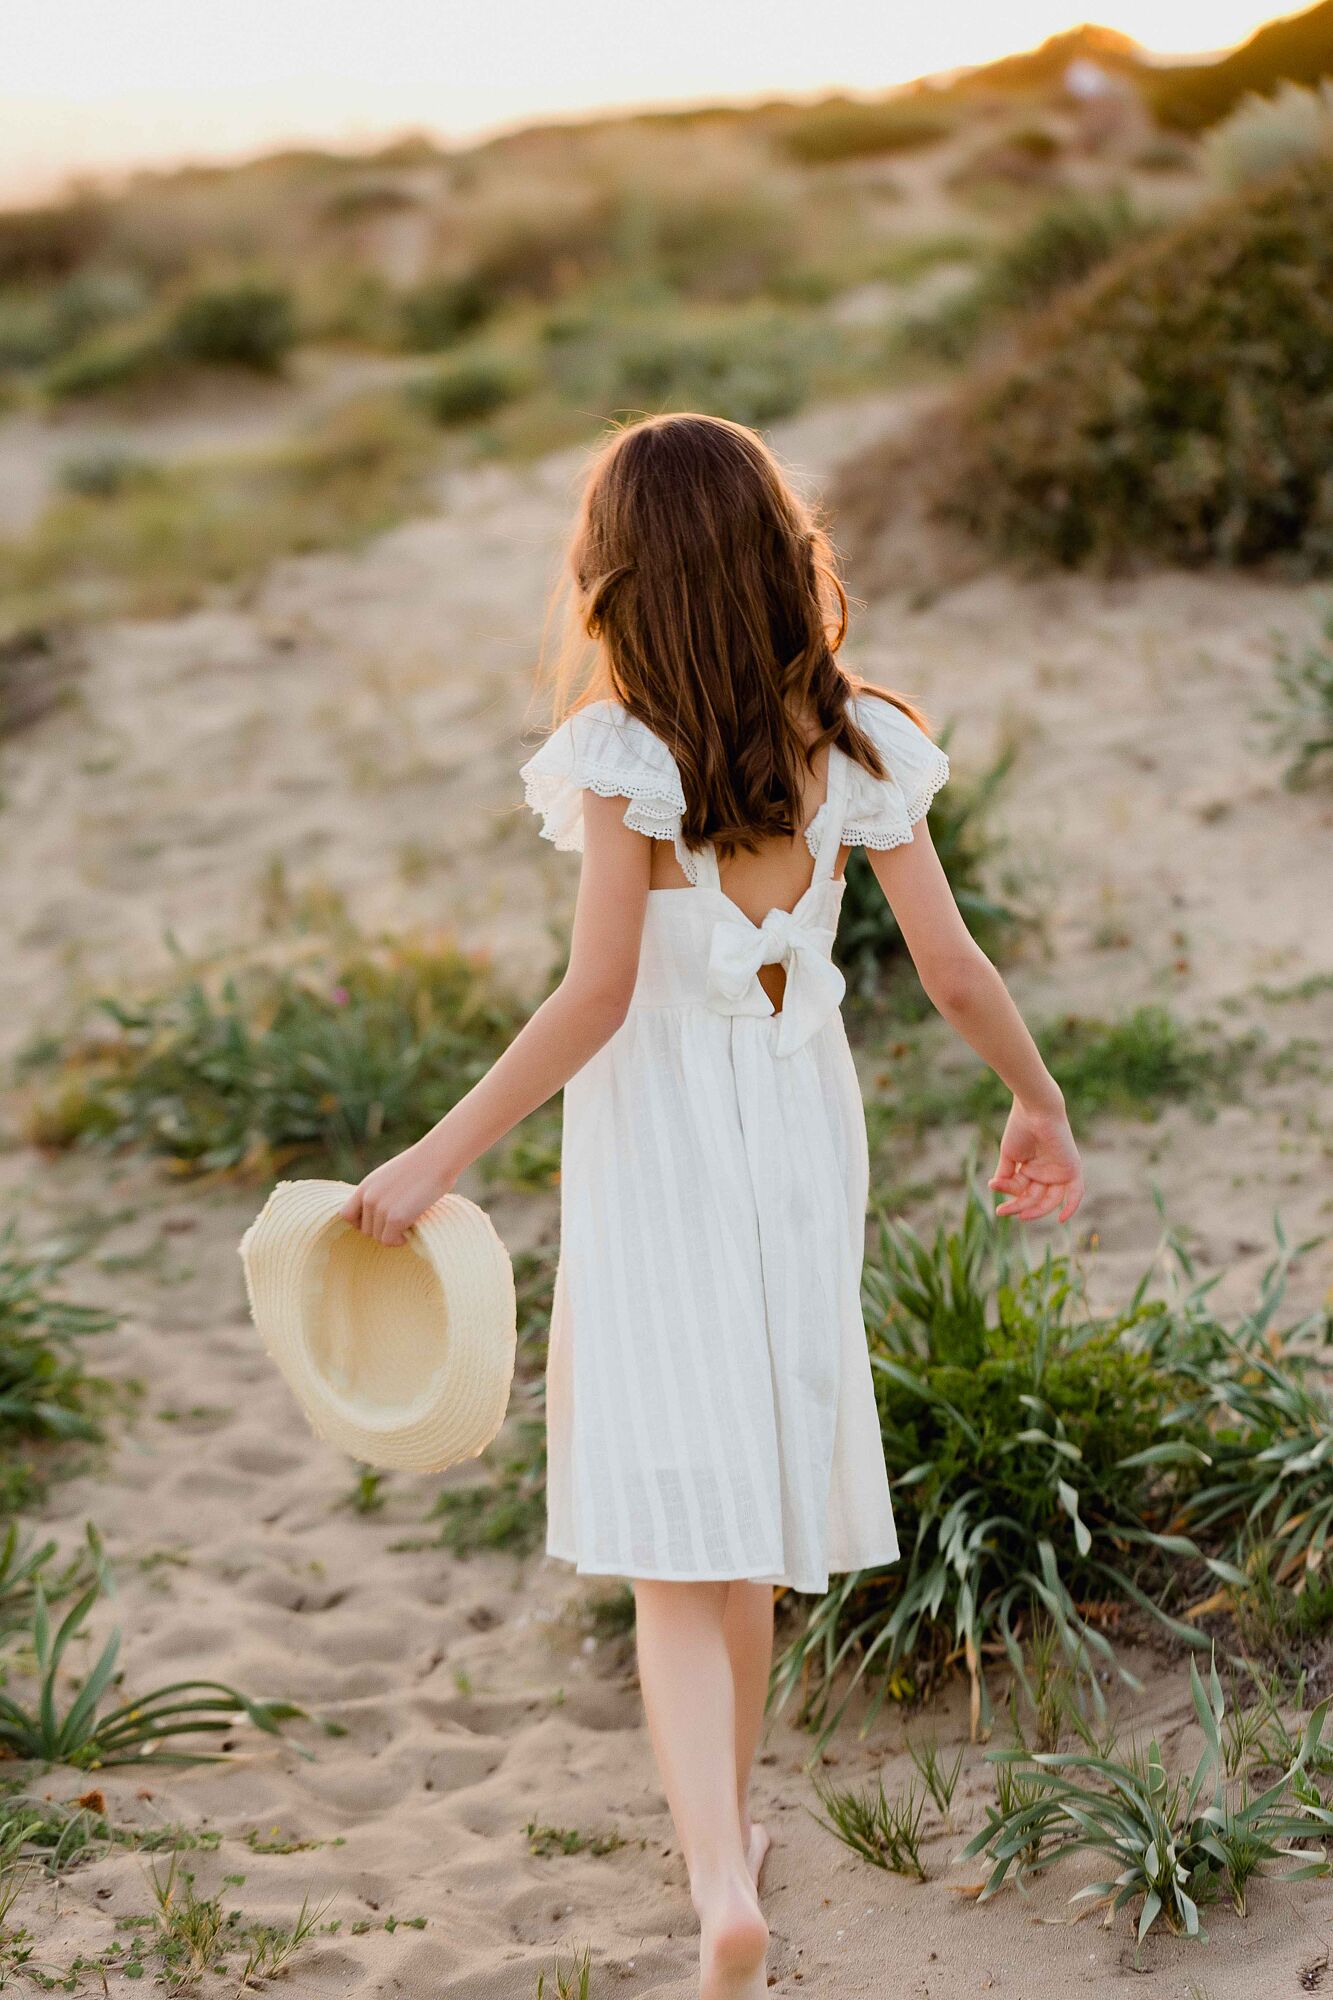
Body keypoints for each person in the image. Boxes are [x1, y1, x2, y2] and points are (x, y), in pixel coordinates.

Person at [341, 412, 1084, 2000]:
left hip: (660, 1138)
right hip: (801, 1132)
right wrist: (1038, 1097)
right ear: (778, 554)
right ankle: (734, 1843)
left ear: (617, 580)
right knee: (737, 1515)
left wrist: (434, 1154)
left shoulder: (623, 754)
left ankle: (713, 1886)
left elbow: (594, 998)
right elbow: (948, 967)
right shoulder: (862, 741)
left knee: (676, 1545)